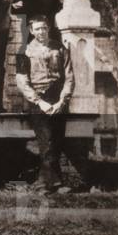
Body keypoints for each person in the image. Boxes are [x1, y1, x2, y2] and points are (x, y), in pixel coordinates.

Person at [16, 15, 74, 193]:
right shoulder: (24, 51)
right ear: (31, 31)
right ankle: (44, 184)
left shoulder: (59, 48)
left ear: (48, 29)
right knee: (46, 140)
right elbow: (22, 81)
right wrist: (39, 102)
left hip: (58, 98)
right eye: (37, 29)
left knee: (57, 140)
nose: (41, 32)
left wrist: (62, 100)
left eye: (44, 28)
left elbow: (69, 76)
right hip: (38, 100)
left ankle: (55, 183)